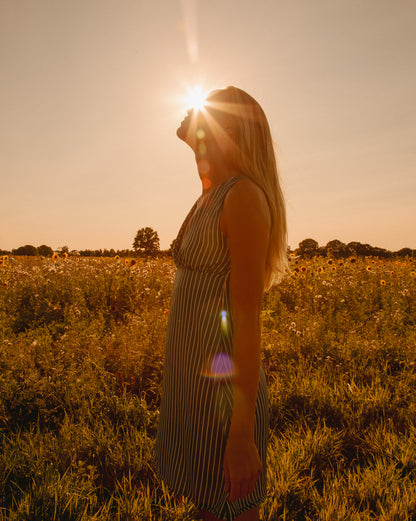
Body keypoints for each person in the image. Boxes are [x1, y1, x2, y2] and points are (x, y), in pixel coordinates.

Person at [155, 86, 288, 521]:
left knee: (229, 508)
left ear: (226, 127)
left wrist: (241, 434)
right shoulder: (213, 190)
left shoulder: (244, 197)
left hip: (224, 400)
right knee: (206, 507)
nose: (190, 108)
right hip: (194, 388)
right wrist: (196, 134)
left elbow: (247, 319)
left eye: (203, 106)